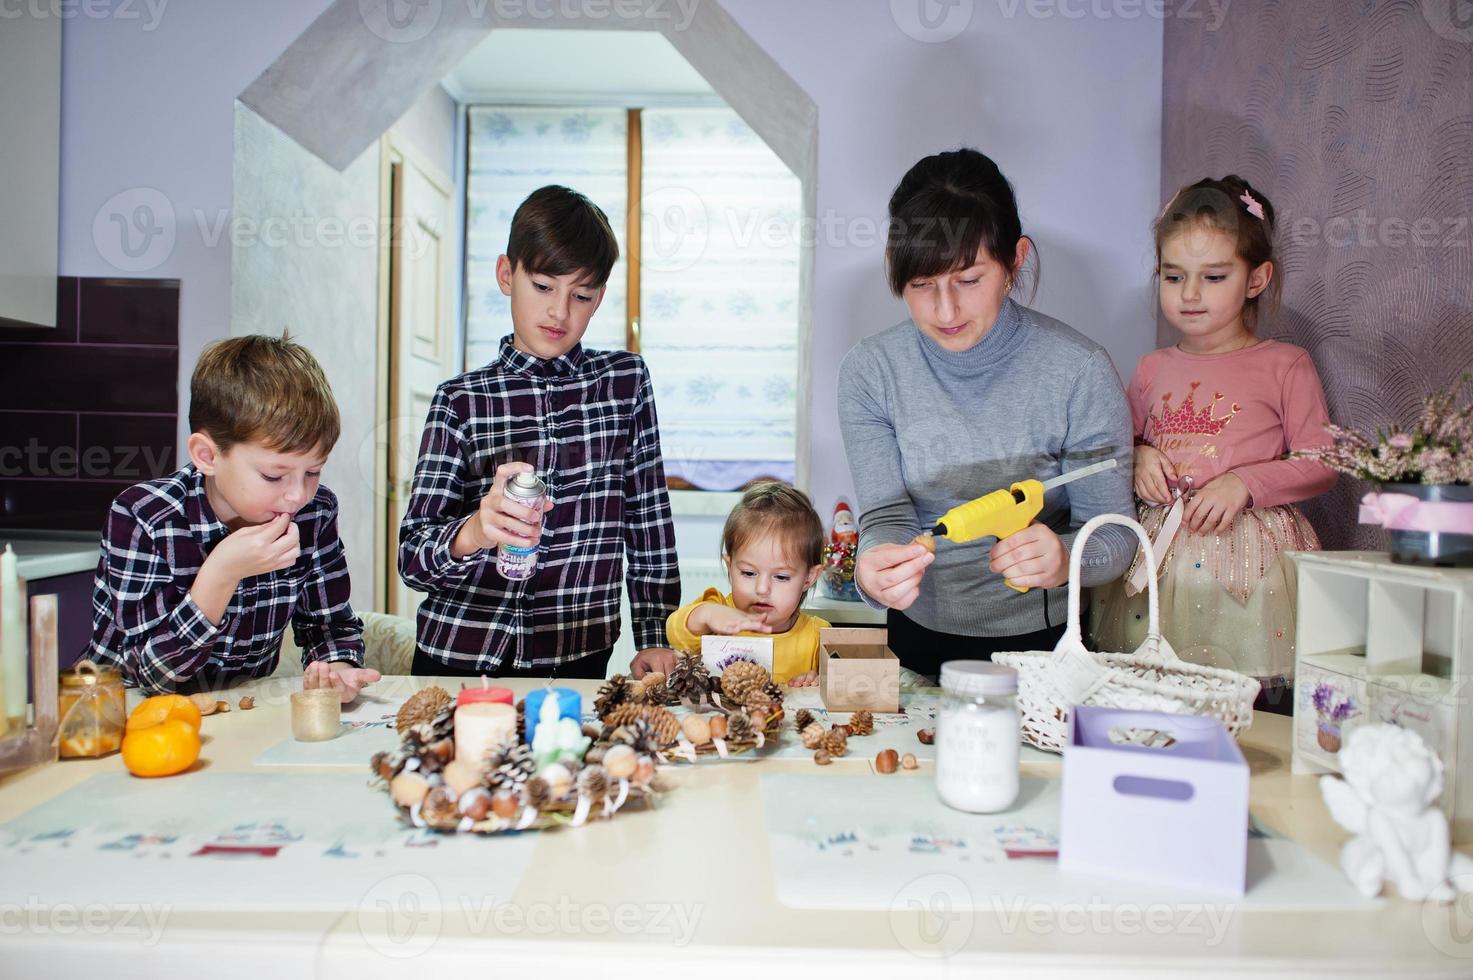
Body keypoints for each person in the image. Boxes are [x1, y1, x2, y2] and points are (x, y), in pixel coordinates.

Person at [838, 148, 1136, 678]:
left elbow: (1114, 533)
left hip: (1043, 647)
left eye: (969, 280)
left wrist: (1067, 558)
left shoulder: (1079, 371)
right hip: (915, 637)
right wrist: (874, 571)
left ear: (1014, 259)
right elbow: (886, 518)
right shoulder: (870, 371)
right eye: (921, 286)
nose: (946, 311)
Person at [399, 185, 680, 679]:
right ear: (508, 275)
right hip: (458, 654)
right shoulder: (460, 401)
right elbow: (413, 559)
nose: (559, 312)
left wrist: (654, 634)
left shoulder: (624, 383)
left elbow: (647, 520)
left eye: (582, 295)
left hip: (576, 655)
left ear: (599, 299)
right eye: (544, 286)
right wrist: (476, 530)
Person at [1091, 176, 1334, 708]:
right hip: (1158, 562)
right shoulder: (1152, 367)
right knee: (1154, 698)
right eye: (1174, 276)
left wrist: (1245, 482)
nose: (1190, 294)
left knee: (1244, 702)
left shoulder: (1284, 364)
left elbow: (1322, 461)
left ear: (1256, 278)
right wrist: (1137, 456)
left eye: (1214, 276)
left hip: (1250, 562)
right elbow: (1114, 445)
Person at [89, 334, 377, 701]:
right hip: (120, 714)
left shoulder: (314, 513)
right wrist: (222, 572)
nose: (297, 494)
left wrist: (337, 670)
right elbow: (151, 676)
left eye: (313, 471)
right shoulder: (143, 516)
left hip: (239, 710)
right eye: (273, 476)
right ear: (207, 456)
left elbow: (329, 626)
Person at [666, 482, 830, 686]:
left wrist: (819, 682)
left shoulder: (818, 636)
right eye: (748, 573)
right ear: (730, 565)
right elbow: (675, 633)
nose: (761, 589)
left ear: (809, 578)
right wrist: (706, 615)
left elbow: (839, 688)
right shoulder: (718, 614)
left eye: (781, 577)